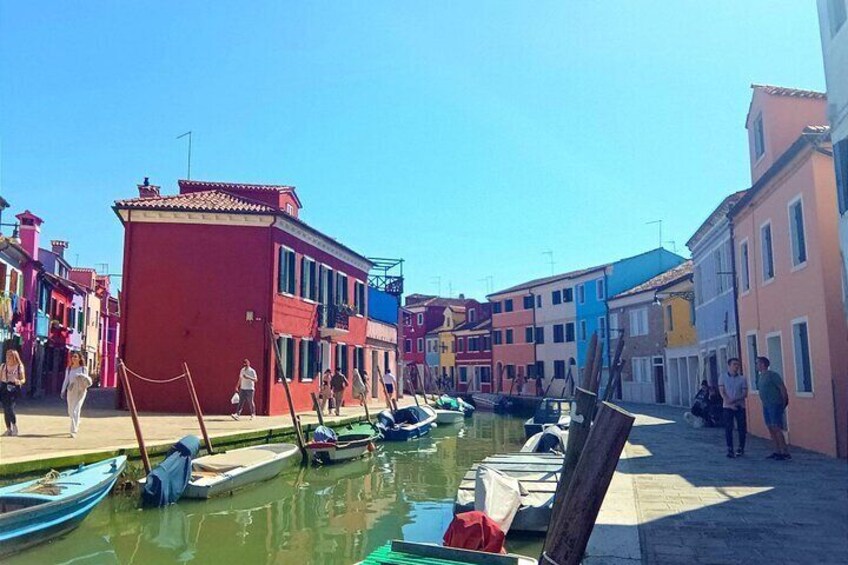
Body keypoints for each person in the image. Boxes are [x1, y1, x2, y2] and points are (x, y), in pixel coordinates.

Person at [756, 356, 791, 460]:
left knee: (777, 428)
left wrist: (784, 402)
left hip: (774, 404)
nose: (756, 365)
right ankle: (776, 450)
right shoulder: (761, 376)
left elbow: (782, 388)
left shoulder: (773, 375)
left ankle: (784, 452)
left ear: (763, 364)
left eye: (757, 363)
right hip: (766, 405)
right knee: (770, 427)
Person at [719, 358, 747, 458]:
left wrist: (735, 400)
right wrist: (728, 402)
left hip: (740, 406)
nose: (736, 367)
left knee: (742, 428)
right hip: (727, 406)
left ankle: (741, 448)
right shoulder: (722, 377)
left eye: (737, 365)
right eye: (734, 364)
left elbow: (744, 393)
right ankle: (730, 448)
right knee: (728, 428)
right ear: (729, 365)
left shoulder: (742, 379)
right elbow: (722, 391)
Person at [60, 351, 92, 438]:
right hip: (71, 390)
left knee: (75, 410)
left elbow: (87, 380)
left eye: (75, 357)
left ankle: (73, 431)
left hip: (81, 391)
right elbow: (66, 380)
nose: (73, 358)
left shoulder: (83, 368)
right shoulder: (69, 368)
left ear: (79, 358)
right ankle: (76, 421)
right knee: (70, 411)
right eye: (72, 357)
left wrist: (81, 376)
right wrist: (63, 390)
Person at [1, 349, 26, 436]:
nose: (8, 358)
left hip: (13, 388)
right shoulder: (3, 366)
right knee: (5, 409)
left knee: (10, 407)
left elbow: (23, 379)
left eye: (10, 356)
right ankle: (8, 429)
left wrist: (19, 381)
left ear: (15, 357)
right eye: (7, 356)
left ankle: (14, 425)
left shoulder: (19, 366)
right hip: (4, 387)